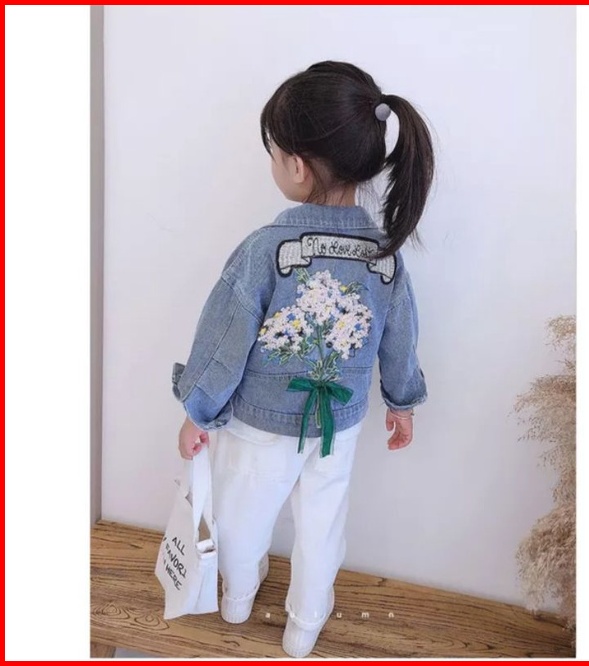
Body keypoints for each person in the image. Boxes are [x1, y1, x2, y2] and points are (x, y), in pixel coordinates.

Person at [171, 60, 434, 658]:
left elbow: (223, 340)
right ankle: (304, 628)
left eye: (273, 154)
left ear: (296, 165)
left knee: (242, 516)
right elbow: (401, 338)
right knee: (323, 523)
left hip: (260, 424)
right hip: (340, 425)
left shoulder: (267, 249)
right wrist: (403, 404)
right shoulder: (385, 256)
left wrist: (198, 411)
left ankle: (237, 600)